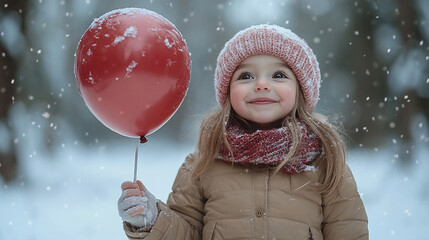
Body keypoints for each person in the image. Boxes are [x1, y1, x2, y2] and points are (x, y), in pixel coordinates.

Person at [117, 24, 369, 239]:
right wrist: (153, 220)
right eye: (246, 76)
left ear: (301, 91)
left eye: (278, 74)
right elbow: (187, 232)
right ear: (227, 93)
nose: (261, 84)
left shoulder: (326, 165)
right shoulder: (202, 164)